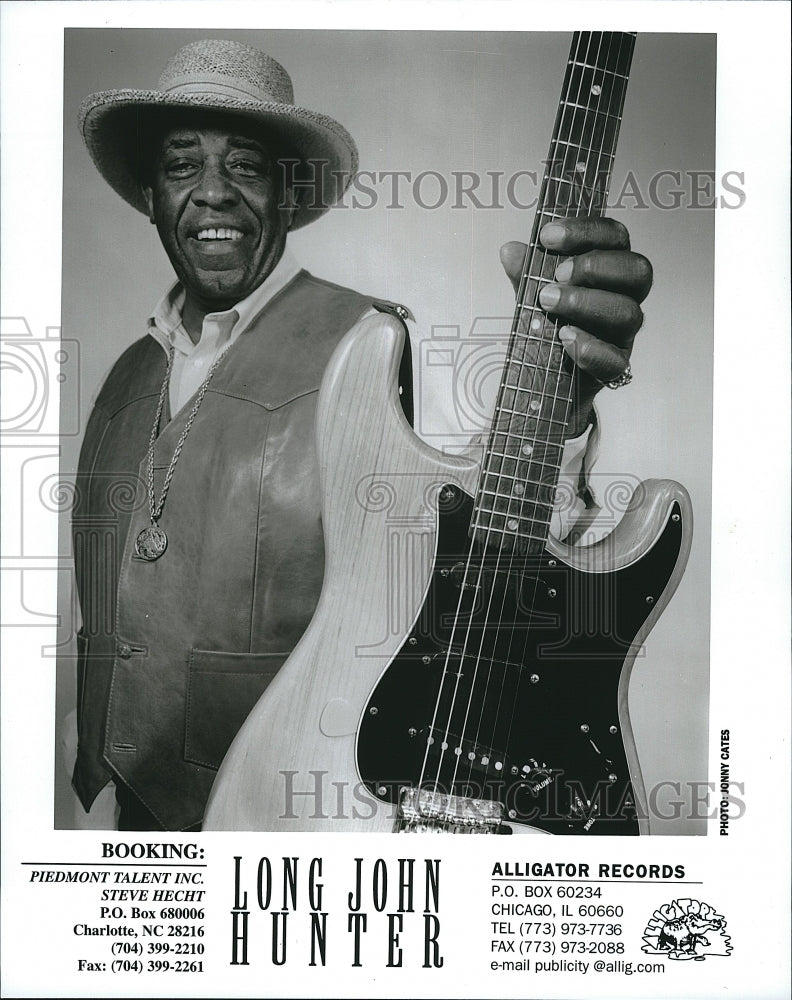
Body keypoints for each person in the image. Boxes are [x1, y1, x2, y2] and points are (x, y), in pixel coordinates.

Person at [71, 38, 651, 831]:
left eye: (245, 165)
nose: (212, 194)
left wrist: (564, 403)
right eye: (182, 165)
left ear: (285, 191)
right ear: (149, 192)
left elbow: (486, 538)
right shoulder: (124, 376)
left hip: (288, 818)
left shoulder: (368, 343)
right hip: (120, 814)